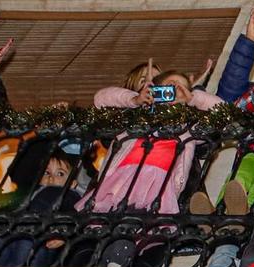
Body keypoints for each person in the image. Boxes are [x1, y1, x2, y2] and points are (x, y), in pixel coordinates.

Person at [86, 63, 223, 216]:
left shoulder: (188, 127)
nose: (173, 91)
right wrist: (134, 100)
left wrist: (193, 98)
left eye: (180, 88)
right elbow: (100, 99)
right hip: (121, 181)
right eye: (169, 87)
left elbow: (222, 112)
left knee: (150, 233)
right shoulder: (133, 116)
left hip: (162, 186)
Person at [0, 151, 81, 267]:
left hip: (40, 236)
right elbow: (5, 200)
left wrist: (64, 232)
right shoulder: (29, 191)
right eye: (46, 172)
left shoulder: (69, 194)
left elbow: (74, 214)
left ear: (72, 184)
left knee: (27, 250)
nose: (51, 177)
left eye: (60, 174)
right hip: (12, 229)